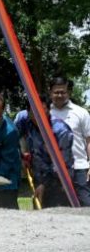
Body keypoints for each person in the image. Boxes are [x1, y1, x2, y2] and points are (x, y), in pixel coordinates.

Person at [15, 96, 74, 207]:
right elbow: (12, 138)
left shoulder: (61, 130)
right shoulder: (26, 122)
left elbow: (62, 165)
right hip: (37, 180)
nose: (38, 115)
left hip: (59, 184)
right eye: (34, 112)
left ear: (49, 110)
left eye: (42, 111)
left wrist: (44, 184)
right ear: (28, 112)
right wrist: (22, 157)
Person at [48, 76, 90, 206]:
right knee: (57, 209)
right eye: (56, 92)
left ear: (69, 92)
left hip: (79, 168)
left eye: (63, 92)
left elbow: (89, 141)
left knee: (86, 206)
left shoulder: (81, 112)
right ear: (50, 92)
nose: (60, 95)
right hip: (54, 171)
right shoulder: (44, 114)